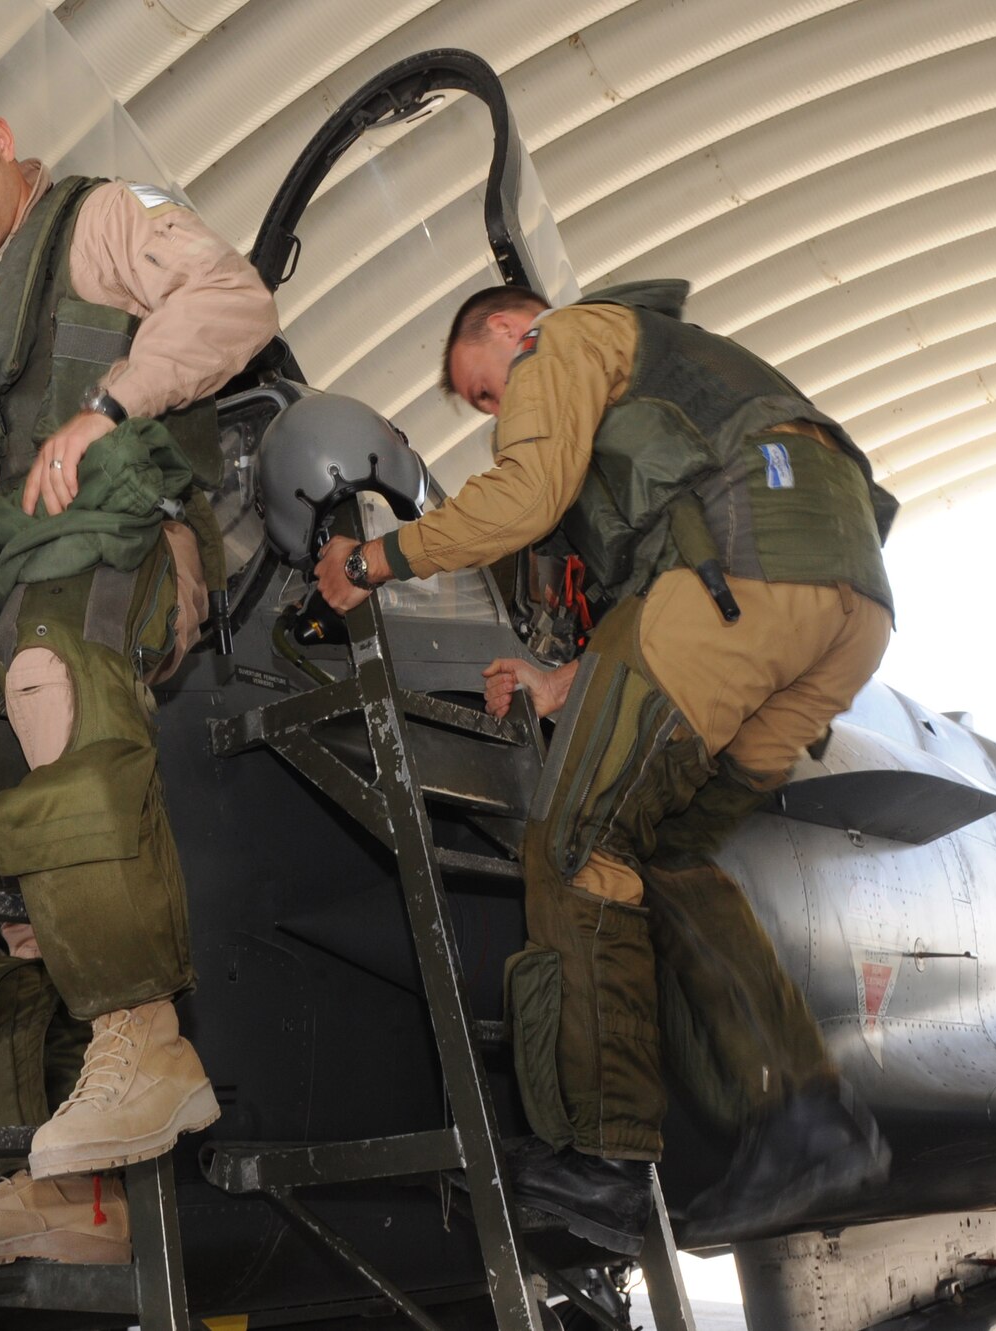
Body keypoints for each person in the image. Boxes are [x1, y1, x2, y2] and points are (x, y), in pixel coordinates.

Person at [315, 280, 896, 1253]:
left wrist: (375, 561)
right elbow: (676, 537)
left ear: (509, 327)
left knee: (577, 844)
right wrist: (563, 682)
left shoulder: (563, 335)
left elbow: (528, 496)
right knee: (666, 855)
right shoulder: (679, 362)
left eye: (486, 392)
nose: (498, 410)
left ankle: (605, 1157)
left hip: (737, 585)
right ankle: (808, 1116)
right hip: (843, 608)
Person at [0, 72, 279, 1266]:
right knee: (4, 855)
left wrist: (109, 401)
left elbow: (230, 297)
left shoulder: (99, 218)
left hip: (126, 547)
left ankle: (144, 1039)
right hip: (2, 568)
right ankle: (64, 1196)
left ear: (0, 140)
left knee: (47, 672)